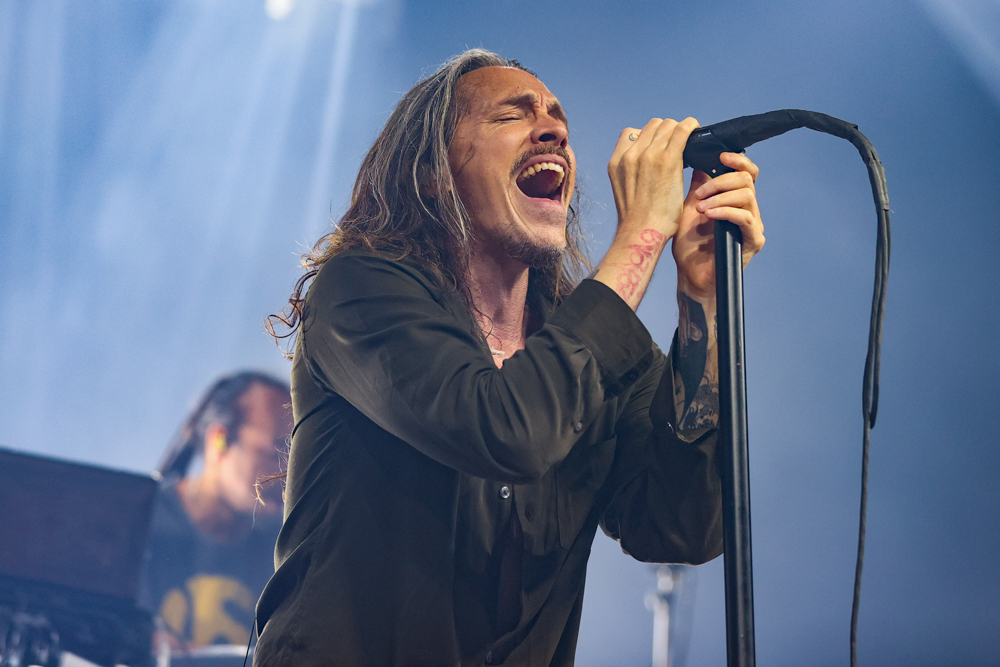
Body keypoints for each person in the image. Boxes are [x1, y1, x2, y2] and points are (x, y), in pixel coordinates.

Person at [255, 49, 764, 666]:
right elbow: (506, 429)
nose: (553, 131)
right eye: (511, 116)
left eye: (558, 120)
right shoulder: (360, 290)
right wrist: (643, 235)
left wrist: (702, 301)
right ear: (432, 172)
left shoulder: (596, 353)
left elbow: (683, 526)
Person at [142, 371, 292, 650]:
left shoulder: (287, 544)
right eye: (274, 455)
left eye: (293, 456)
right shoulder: (139, 522)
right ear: (219, 440)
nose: (286, 473)